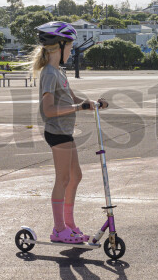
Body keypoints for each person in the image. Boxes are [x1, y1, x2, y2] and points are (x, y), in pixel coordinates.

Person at [32, 21, 109, 245]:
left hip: (65, 131)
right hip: (56, 132)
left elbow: (73, 100)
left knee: (76, 176)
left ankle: (69, 225)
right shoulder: (49, 73)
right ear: (60, 45)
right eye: (70, 46)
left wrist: (93, 104)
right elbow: (47, 109)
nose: (72, 50)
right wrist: (77, 108)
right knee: (64, 178)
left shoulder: (59, 71)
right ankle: (59, 230)